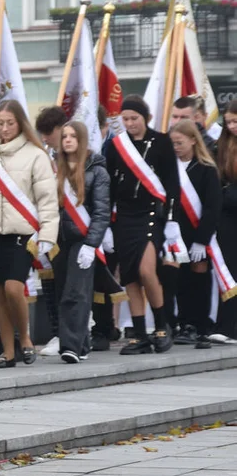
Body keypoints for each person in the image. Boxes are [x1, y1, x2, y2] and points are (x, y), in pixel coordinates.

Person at [0, 100, 59, 368]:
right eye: (0, 123)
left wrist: (48, 234)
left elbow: (47, 199)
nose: (4, 128)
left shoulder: (36, 155)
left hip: (23, 234)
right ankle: (8, 351)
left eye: (10, 123)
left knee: (14, 288)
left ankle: (25, 338)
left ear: (20, 124)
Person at [105, 96, 180, 355]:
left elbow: (172, 183)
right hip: (124, 216)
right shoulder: (116, 146)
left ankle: (161, 326)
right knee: (130, 277)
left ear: (145, 118)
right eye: (125, 119)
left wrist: (171, 220)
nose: (130, 123)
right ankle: (139, 335)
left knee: (147, 270)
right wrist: (106, 224)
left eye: (134, 118)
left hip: (151, 214)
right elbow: (111, 185)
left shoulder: (161, 142)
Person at [53, 121, 110, 362]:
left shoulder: (97, 170)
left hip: (83, 240)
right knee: (62, 292)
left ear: (82, 139)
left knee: (75, 294)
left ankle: (71, 347)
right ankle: (82, 343)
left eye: (73, 136)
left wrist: (91, 243)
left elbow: (102, 211)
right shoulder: (55, 168)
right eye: (64, 135)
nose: (67, 140)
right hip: (58, 240)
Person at [170, 119, 221, 349]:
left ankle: (201, 324)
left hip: (199, 233)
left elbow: (212, 207)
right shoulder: (169, 168)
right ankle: (184, 322)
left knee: (198, 277)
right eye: (173, 143)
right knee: (179, 279)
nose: (176, 147)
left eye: (180, 143)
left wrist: (202, 240)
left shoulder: (206, 169)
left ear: (193, 141)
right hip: (176, 234)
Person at [31, 106, 66, 357]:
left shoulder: (78, 155)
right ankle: (57, 331)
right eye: (41, 133)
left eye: (49, 133)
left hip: (70, 227)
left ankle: (75, 332)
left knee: (70, 285)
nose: (44, 138)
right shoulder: (43, 156)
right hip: (47, 226)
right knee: (51, 282)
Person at [90, 105, 119, 352]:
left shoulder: (116, 150)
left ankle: (104, 326)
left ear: (103, 127)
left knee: (105, 276)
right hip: (83, 222)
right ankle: (102, 325)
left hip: (113, 222)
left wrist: (109, 222)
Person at [212, 101, 237, 341]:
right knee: (228, 268)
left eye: (235, 121)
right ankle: (227, 325)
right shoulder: (222, 146)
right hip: (228, 214)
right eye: (228, 122)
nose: (231, 126)